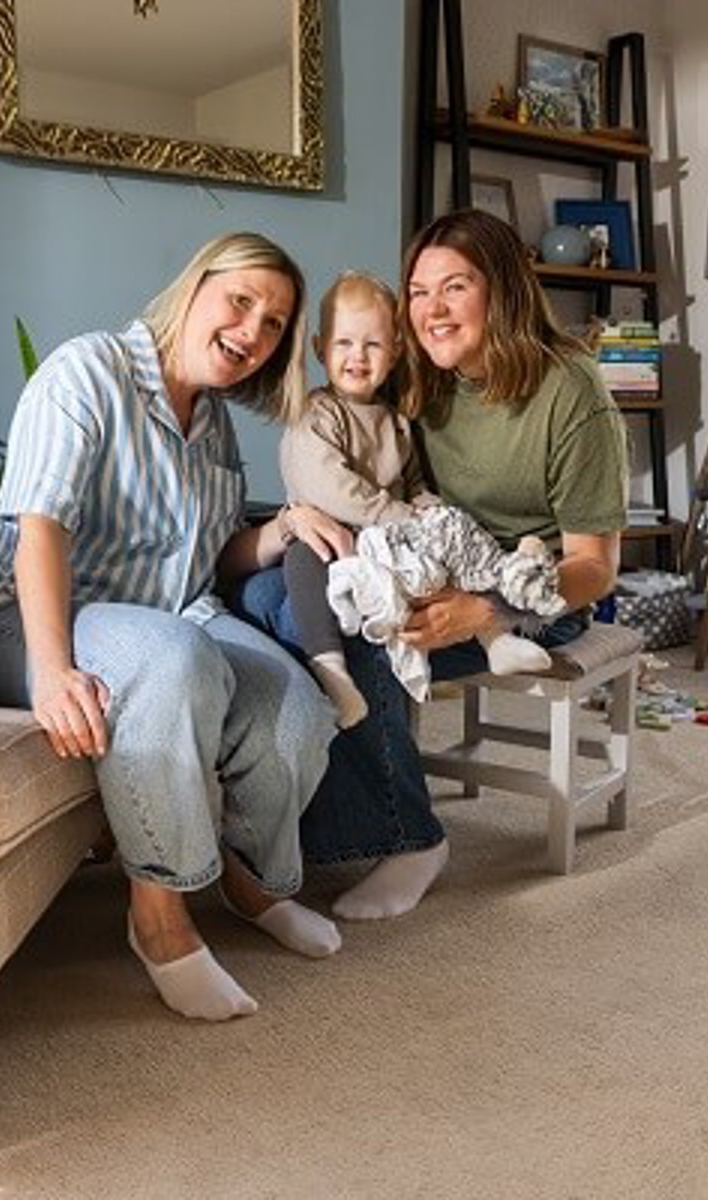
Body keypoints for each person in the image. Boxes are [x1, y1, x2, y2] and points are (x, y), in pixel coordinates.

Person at [0, 232, 355, 1022]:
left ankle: (248, 884)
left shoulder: (211, 423)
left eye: (275, 323)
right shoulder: (87, 371)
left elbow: (213, 555)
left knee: (297, 705)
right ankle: (159, 919)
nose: (253, 331)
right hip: (41, 624)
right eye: (241, 301)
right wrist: (55, 669)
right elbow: (40, 525)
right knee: (173, 656)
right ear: (194, 287)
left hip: (178, 616)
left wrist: (281, 528)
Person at [239, 209, 629, 921]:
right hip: (424, 559)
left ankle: (412, 839)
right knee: (271, 596)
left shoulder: (573, 393)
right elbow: (342, 417)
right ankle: (306, 819)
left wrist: (488, 610)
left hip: (529, 592)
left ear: (503, 291)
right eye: (418, 291)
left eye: (455, 287)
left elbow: (594, 568)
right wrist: (305, 515)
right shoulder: (425, 376)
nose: (431, 310)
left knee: (355, 635)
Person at [280, 271, 560, 729]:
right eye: (344, 343)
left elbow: (411, 484)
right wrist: (403, 518)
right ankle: (330, 668)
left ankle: (496, 638)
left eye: (372, 345)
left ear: (394, 352)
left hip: (391, 538)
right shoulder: (316, 413)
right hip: (335, 536)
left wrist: (431, 511)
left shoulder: (395, 421)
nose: (357, 356)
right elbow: (330, 486)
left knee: (454, 540)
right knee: (301, 563)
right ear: (319, 348)